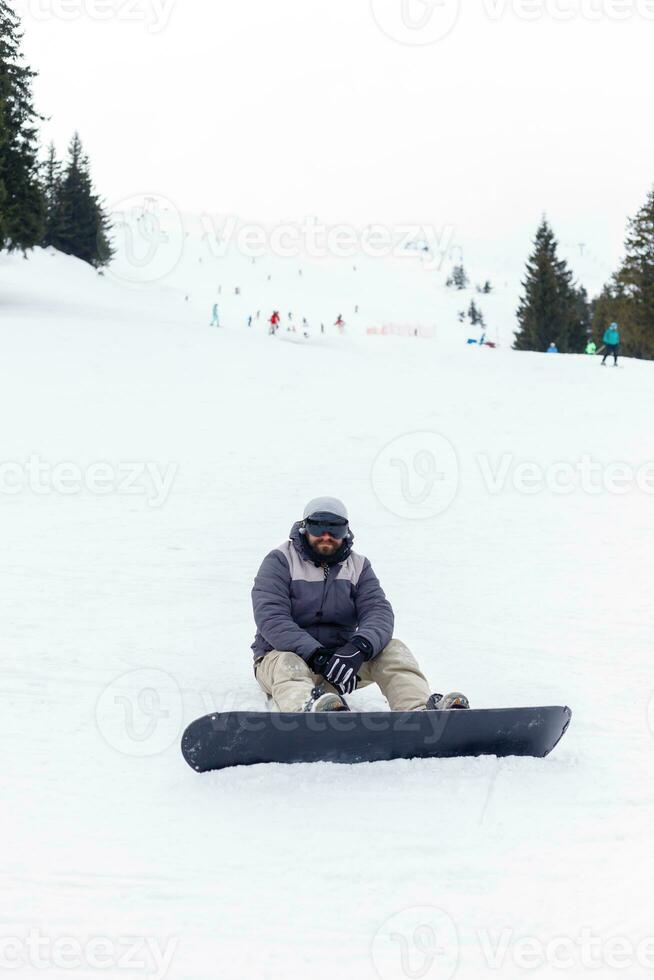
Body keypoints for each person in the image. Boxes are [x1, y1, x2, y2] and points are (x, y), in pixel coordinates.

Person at [251, 496, 469, 713]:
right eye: (318, 527)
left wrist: (358, 648)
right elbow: (271, 617)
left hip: (339, 665)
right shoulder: (280, 561)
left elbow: (378, 611)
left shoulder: (358, 566)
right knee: (288, 662)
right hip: (282, 661)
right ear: (304, 528)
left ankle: (418, 711)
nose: (326, 536)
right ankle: (306, 711)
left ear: (345, 531)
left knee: (393, 649)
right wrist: (315, 654)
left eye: (334, 529)